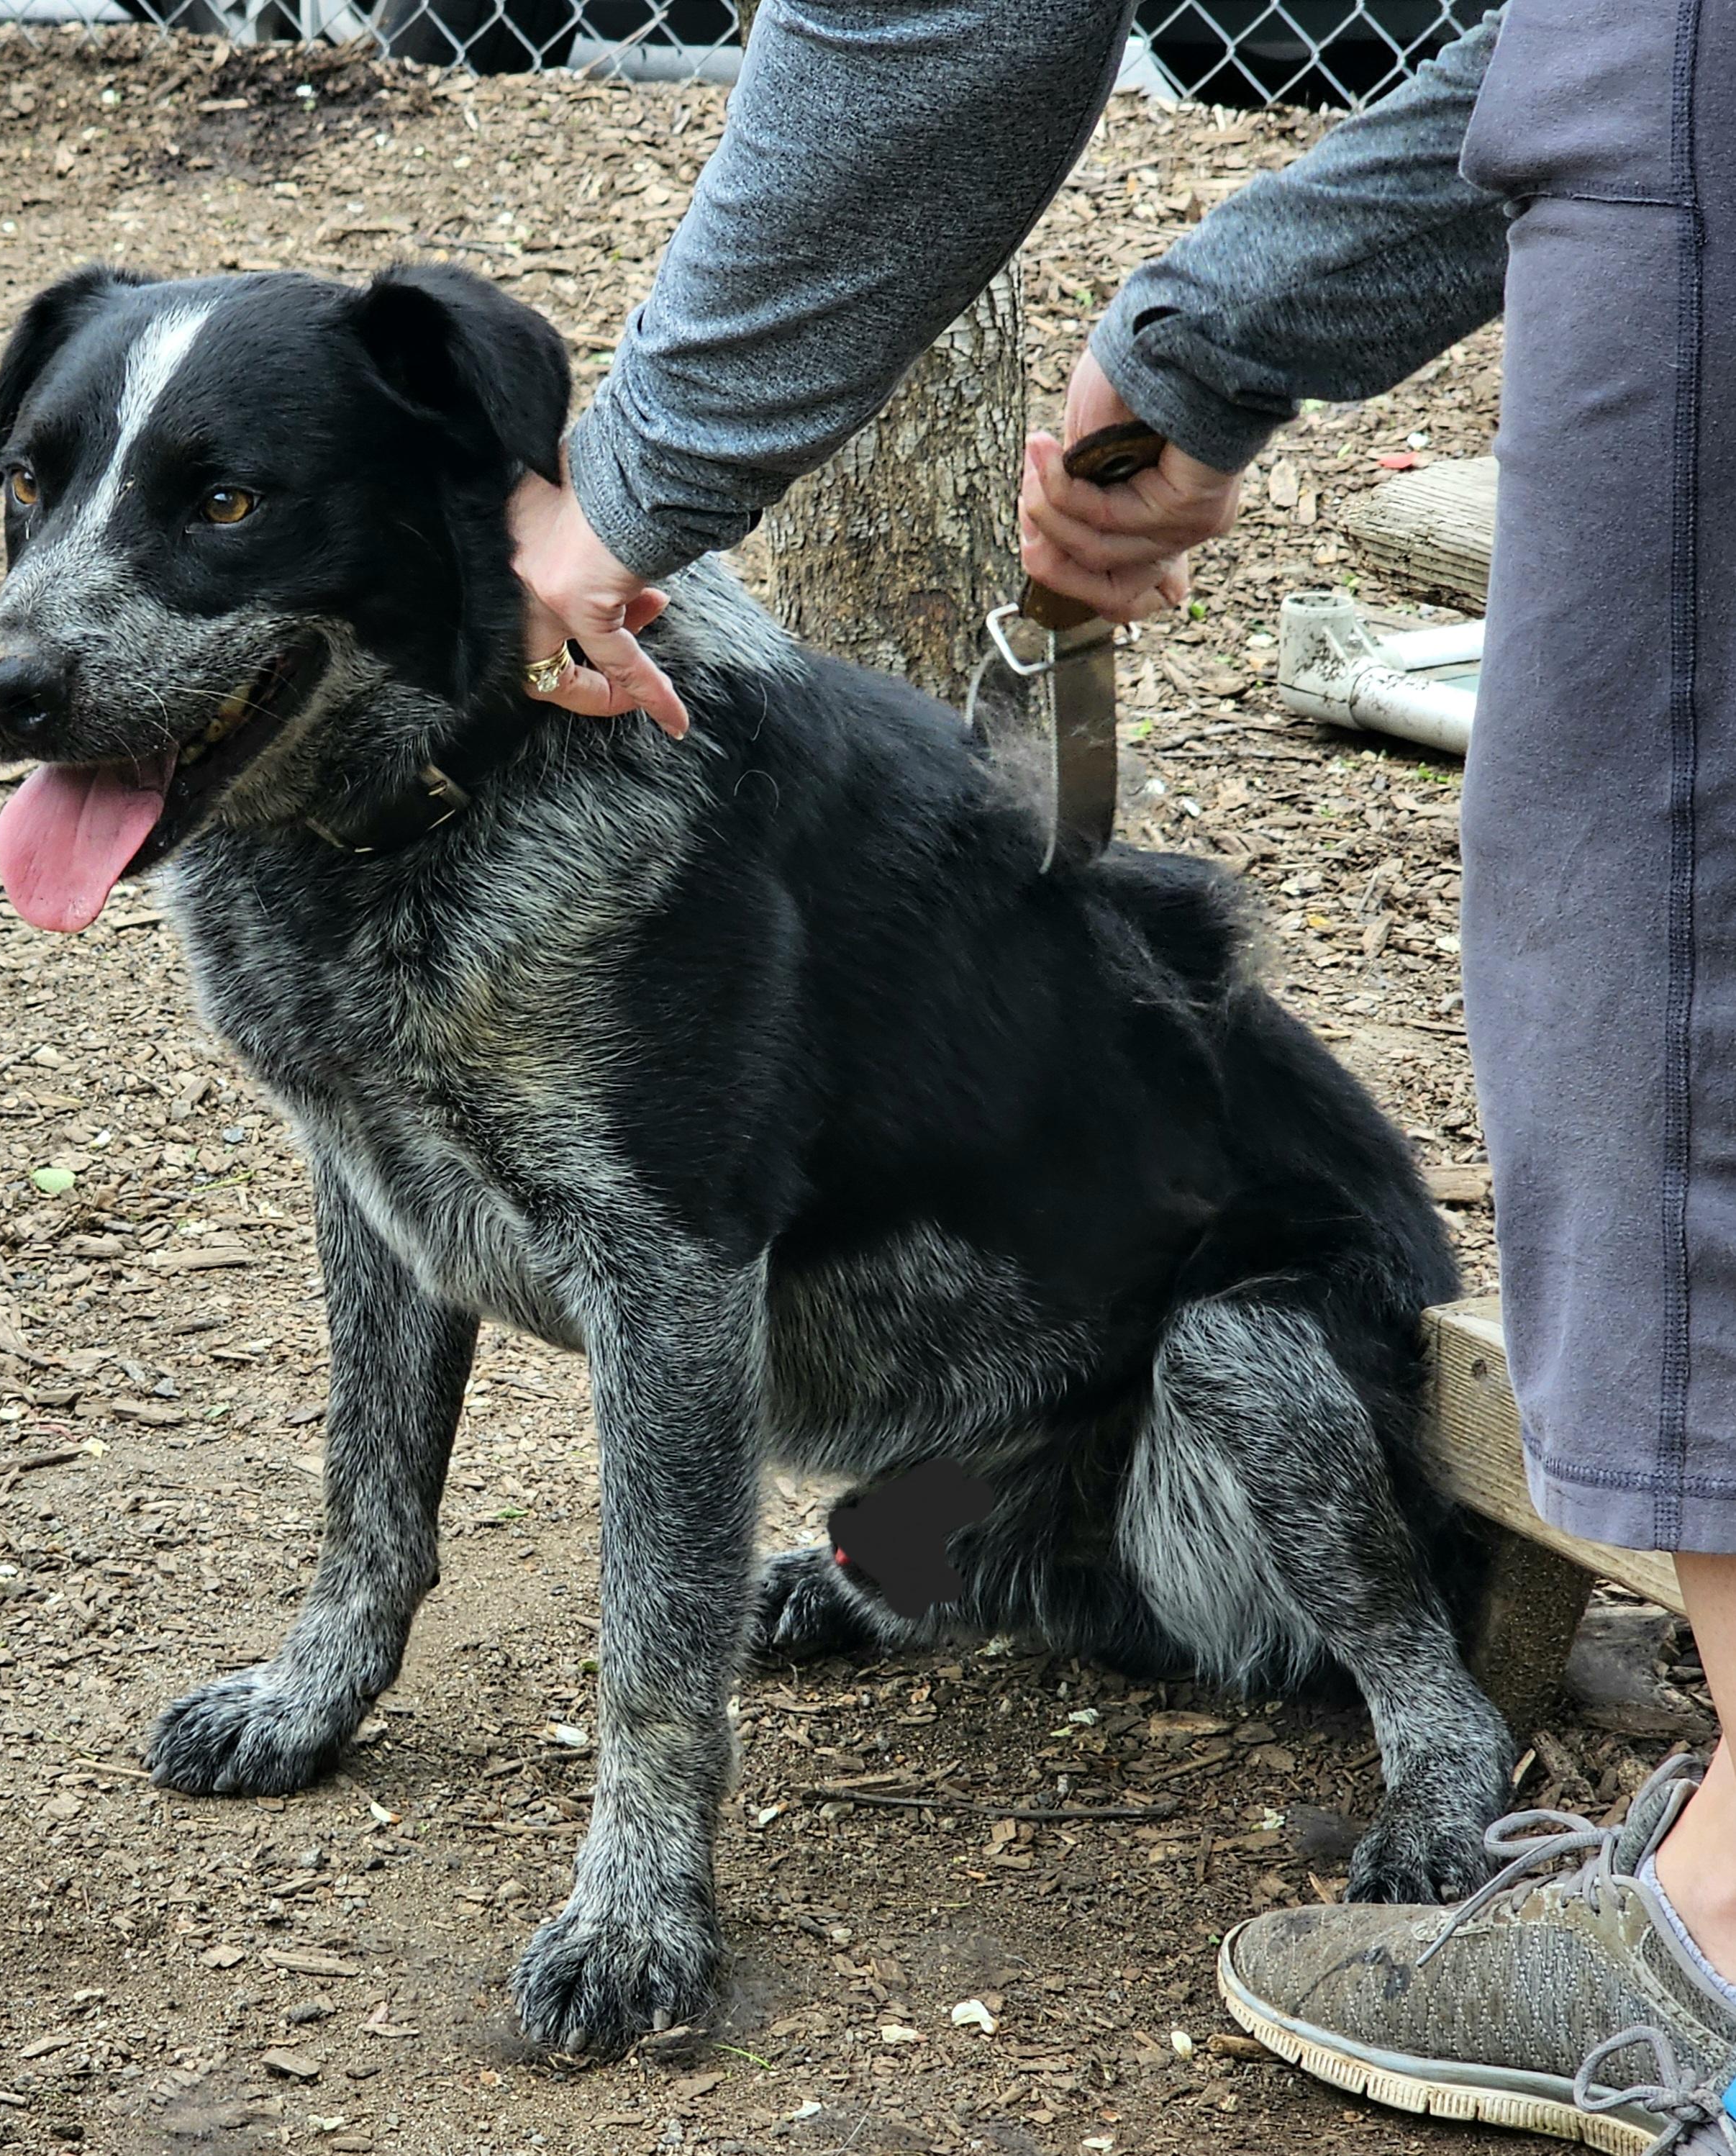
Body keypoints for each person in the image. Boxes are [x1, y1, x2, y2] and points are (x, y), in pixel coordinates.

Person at [507, 1, 1736, 2145]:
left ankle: (1652, 1910)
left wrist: (630, 493)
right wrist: (1205, 341)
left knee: (1647, 889)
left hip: (1235, 1387)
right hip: (1022, 1458)